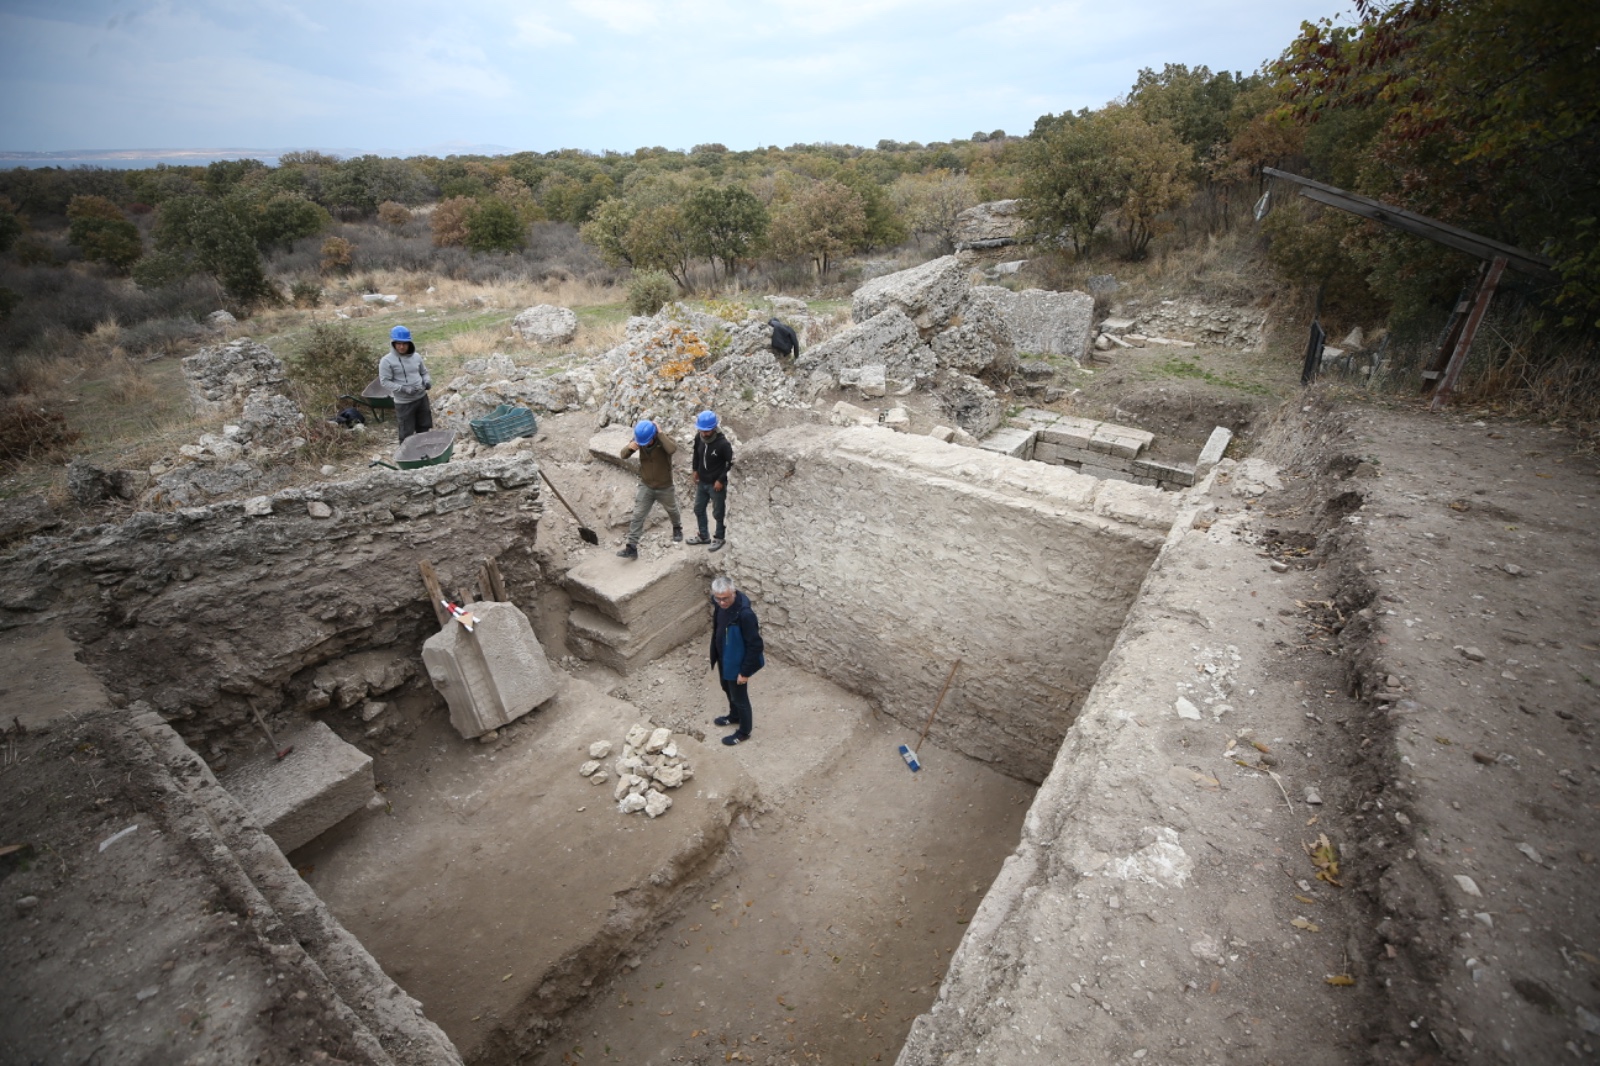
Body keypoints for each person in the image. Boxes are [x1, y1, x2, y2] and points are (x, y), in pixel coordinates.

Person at [709, 575, 763, 745]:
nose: (721, 602)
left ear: (733, 592)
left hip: (737, 664)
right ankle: (734, 716)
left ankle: (744, 731)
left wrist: (745, 672)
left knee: (740, 698)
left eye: (725, 598)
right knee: (726, 688)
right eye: (718, 599)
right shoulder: (719, 606)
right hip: (724, 658)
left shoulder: (745, 615)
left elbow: (755, 645)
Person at [617, 419, 683, 559]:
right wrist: (631, 447)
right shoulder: (640, 441)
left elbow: (672, 449)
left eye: (646, 441)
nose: (644, 445)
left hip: (664, 486)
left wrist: (660, 433)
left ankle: (677, 527)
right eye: (642, 443)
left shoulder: (662, 440)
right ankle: (631, 547)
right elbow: (623, 455)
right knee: (637, 515)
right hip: (646, 485)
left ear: (653, 436)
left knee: (672, 509)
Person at [686, 410, 733, 552]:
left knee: (718, 512)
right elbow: (696, 454)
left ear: (713, 428)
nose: (704, 433)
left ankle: (719, 537)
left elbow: (731, 463)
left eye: (707, 431)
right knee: (698, 508)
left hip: (716, 484)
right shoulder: (698, 438)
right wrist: (695, 470)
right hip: (702, 482)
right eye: (701, 430)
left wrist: (721, 480)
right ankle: (703, 536)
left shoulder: (723, 444)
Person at [378, 325, 432, 442]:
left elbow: (424, 373)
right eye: (398, 343)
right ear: (393, 343)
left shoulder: (416, 357)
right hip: (404, 403)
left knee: (424, 426)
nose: (402, 347)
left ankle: (423, 451)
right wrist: (403, 388)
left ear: (409, 343)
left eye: (405, 343)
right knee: (406, 432)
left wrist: (427, 381)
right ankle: (407, 456)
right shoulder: (386, 361)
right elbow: (385, 382)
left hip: (421, 398)